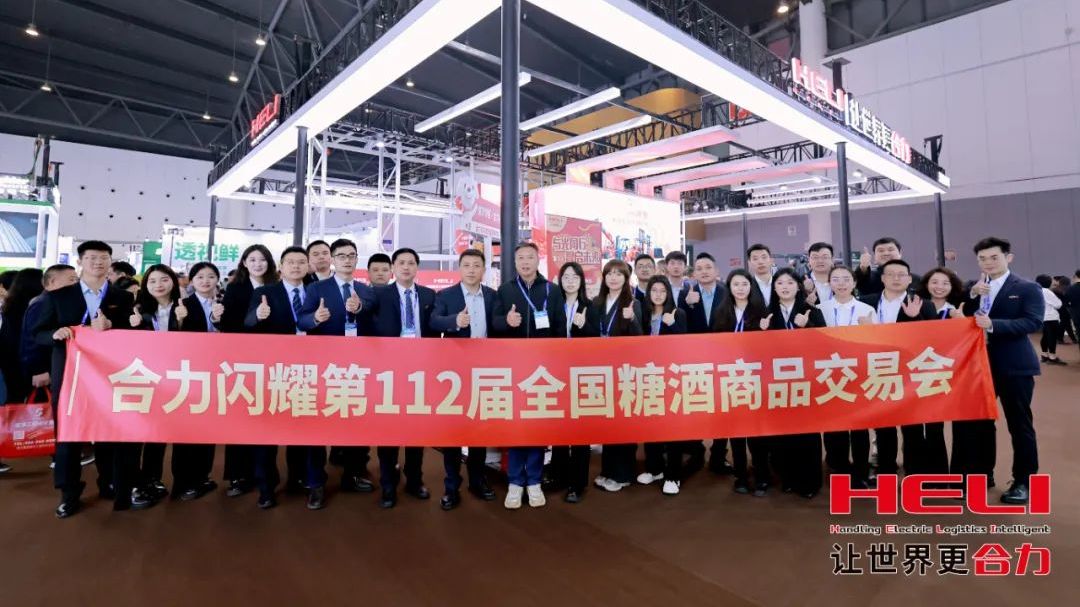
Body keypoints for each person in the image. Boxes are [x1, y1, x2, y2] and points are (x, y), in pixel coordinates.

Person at [32, 241, 152, 518]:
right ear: (81, 261)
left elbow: (132, 335)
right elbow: (38, 333)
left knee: (109, 432)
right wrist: (55, 334)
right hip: (70, 376)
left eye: (104, 258)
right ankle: (68, 492)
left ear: (110, 262)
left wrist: (113, 326)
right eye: (92, 258)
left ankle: (108, 482)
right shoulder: (59, 296)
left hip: (109, 376)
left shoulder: (122, 297)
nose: (98, 262)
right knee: (69, 436)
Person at [958, 237, 1043, 504]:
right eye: (982, 258)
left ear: (1008, 258)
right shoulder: (975, 288)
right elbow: (963, 317)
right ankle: (984, 474)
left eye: (994, 257)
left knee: (1019, 424)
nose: (988, 262)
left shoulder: (1027, 287)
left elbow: (1033, 322)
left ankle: (1024, 481)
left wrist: (994, 324)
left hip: (1014, 365)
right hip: (979, 366)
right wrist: (972, 296)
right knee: (981, 423)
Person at [298, 238, 378, 508]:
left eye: (351, 255)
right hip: (324, 368)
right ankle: (316, 483)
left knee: (355, 424)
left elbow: (372, 317)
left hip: (357, 369)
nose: (347, 260)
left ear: (356, 259)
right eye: (341, 255)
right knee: (317, 428)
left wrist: (360, 308)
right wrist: (315, 319)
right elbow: (302, 320)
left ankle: (352, 474)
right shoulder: (316, 288)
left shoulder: (365, 290)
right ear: (333, 260)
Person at [492, 242, 567, 509]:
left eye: (530, 257)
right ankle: (515, 482)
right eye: (521, 258)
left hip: (542, 370)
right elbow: (493, 323)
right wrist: (506, 321)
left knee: (536, 426)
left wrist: (555, 362)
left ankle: (534, 481)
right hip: (514, 368)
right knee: (516, 426)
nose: (525, 262)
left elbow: (559, 328)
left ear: (538, 260)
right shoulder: (505, 290)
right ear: (515, 263)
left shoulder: (552, 291)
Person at [428, 249, 499, 510]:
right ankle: (451, 486)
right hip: (455, 373)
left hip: (485, 370)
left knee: (479, 429)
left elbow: (498, 326)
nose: (471, 270)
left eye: (476, 265)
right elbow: (434, 321)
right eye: (466, 265)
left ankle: (477, 481)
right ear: (459, 269)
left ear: (483, 270)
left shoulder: (492, 296)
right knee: (453, 432)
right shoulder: (446, 295)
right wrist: (455, 321)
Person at [858, 259, 939, 478]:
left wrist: (915, 317)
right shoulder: (865, 303)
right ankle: (886, 471)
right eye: (891, 274)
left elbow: (932, 339)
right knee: (883, 426)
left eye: (901, 274)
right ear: (882, 278)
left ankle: (914, 473)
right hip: (878, 371)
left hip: (910, 374)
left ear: (909, 279)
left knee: (913, 427)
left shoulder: (923, 304)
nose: (896, 278)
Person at [369, 247, 436, 509]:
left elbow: (435, 329)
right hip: (389, 372)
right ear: (393, 268)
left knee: (416, 429)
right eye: (401, 263)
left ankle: (414, 480)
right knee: (389, 431)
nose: (406, 267)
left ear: (417, 267)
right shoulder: (379, 295)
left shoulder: (428, 295)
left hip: (420, 371)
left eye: (411, 263)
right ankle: (388, 484)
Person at [244, 246, 309, 509]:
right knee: (267, 432)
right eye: (290, 262)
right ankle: (266, 486)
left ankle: (298, 478)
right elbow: (248, 323)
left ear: (307, 266)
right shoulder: (265, 292)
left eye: (301, 262)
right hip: (274, 370)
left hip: (307, 371)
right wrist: (258, 316)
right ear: (281, 266)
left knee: (301, 429)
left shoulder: (315, 291)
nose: (296, 266)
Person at [759, 268, 826, 499]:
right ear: (774, 288)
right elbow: (756, 350)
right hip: (776, 382)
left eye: (789, 282)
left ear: (798, 286)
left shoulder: (812, 311)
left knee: (807, 433)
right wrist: (761, 332)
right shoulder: (766, 314)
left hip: (806, 381)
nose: (785, 287)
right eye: (780, 283)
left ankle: (810, 482)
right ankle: (787, 478)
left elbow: (824, 345)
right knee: (781, 433)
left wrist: (807, 328)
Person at [219, 244, 277, 499]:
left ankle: (264, 473)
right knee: (241, 417)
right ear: (244, 263)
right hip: (242, 361)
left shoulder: (277, 287)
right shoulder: (236, 288)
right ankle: (238, 475)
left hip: (272, 361)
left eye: (262, 259)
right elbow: (228, 324)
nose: (257, 264)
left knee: (267, 418)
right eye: (252, 259)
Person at [127, 264, 187, 501]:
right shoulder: (138, 310)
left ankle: (155, 479)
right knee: (141, 432)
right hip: (146, 377)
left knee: (162, 432)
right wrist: (134, 327)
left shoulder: (185, 307)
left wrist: (182, 322)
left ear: (173, 281)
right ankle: (138, 483)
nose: (158, 285)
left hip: (176, 378)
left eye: (164, 279)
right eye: (152, 281)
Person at [710, 269, 771, 496]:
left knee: (757, 433)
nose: (740, 288)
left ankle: (762, 476)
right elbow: (714, 343)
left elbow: (772, 346)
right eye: (735, 284)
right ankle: (741, 477)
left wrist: (763, 331)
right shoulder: (722, 311)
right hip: (731, 379)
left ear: (751, 287)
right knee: (736, 432)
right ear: (729, 287)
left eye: (744, 284)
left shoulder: (761, 311)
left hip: (756, 379)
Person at [545, 261, 601, 503]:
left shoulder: (591, 306)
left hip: (581, 374)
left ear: (581, 281)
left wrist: (583, 325)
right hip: (557, 373)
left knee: (580, 429)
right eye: (565, 277)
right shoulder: (552, 305)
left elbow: (597, 338)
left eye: (574, 277)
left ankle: (577, 484)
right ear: (560, 280)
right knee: (558, 426)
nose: (570, 281)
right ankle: (558, 475)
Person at [817, 266, 875, 488]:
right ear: (829, 283)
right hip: (829, 374)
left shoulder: (866, 309)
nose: (841, 283)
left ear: (854, 283)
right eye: (836, 279)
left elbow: (878, 343)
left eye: (846, 279)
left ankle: (861, 470)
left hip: (859, 374)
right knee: (834, 426)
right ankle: (838, 467)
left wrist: (870, 330)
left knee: (860, 426)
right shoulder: (820, 309)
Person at [171, 261, 223, 501]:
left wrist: (220, 320)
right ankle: (183, 482)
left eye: (211, 276)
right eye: (200, 277)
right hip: (190, 374)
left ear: (217, 280)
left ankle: (202, 476)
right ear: (192, 281)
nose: (205, 281)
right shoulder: (182, 305)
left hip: (216, 374)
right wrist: (180, 321)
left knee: (209, 428)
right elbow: (175, 336)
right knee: (186, 430)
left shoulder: (223, 304)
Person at [633, 275, 689, 495]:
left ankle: (673, 475)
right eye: (654, 291)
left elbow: (685, 344)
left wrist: (672, 324)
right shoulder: (645, 315)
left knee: (672, 427)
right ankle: (654, 468)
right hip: (648, 376)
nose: (658, 294)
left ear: (668, 293)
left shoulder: (677, 313)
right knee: (651, 424)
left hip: (671, 377)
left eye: (662, 291)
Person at [590, 260, 642, 494]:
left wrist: (632, 319)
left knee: (624, 423)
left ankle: (623, 474)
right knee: (608, 423)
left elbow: (640, 339)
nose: (613, 278)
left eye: (618, 274)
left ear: (626, 278)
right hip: (603, 370)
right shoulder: (597, 302)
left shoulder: (633, 303)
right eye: (609, 273)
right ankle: (608, 470)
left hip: (624, 371)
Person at [678, 252, 731, 475]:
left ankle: (719, 455)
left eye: (708, 267)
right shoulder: (686, 294)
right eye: (699, 268)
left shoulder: (728, 292)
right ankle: (696, 451)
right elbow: (680, 324)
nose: (704, 272)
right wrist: (687, 305)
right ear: (694, 273)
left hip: (723, 359)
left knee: (722, 407)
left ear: (716, 271)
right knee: (696, 405)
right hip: (695, 361)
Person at [854, 237, 920, 296]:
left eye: (890, 250)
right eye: (881, 251)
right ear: (874, 256)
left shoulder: (916, 279)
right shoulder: (871, 278)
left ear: (900, 253)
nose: (886, 253)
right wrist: (863, 267)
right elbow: (860, 281)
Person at [1035, 275, 1065, 365]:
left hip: (1043, 317)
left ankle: (1044, 355)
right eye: (1051, 280)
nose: (1052, 282)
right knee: (1052, 337)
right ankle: (1052, 357)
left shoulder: (1037, 290)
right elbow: (1058, 304)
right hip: (1051, 317)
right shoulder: (1047, 291)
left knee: (1045, 336)